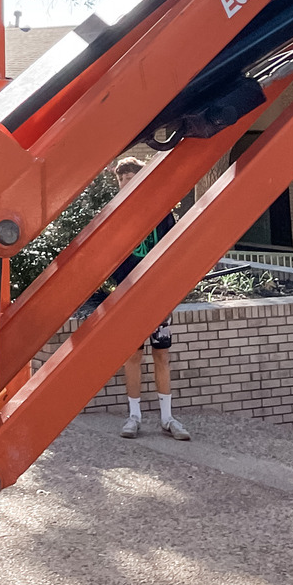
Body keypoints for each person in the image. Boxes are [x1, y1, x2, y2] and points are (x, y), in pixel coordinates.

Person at [94, 156, 191, 441]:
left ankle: (167, 417)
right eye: (121, 178)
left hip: (157, 294)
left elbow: (174, 248)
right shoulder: (114, 214)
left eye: (130, 177)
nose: (125, 182)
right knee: (132, 355)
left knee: (162, 354)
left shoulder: (161, 211)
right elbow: (107, 256)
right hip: (128, 294)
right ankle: (134, 416)